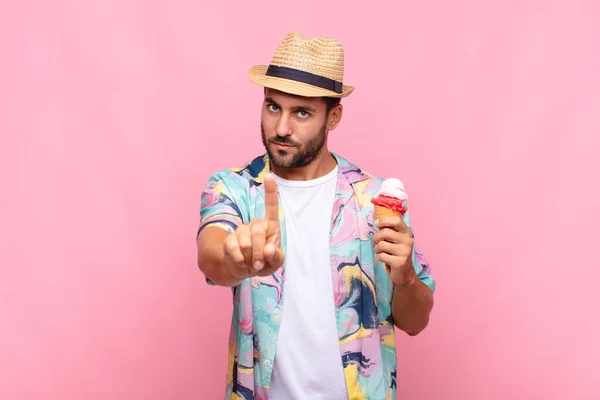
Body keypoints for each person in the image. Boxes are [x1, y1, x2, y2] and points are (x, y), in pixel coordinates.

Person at [196, 31, 436, 400]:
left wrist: (404, 276)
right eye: (273, 106)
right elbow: (212, 258)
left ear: (334, 116)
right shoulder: (234, 189)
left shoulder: (374, 199)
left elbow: (415, 322)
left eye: (302, 112)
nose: (281, 129)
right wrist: (238, 260)